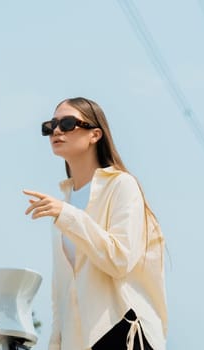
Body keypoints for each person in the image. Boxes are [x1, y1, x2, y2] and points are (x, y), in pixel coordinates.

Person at [24, 97, 168, 350]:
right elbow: (61, 291)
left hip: (122, 332)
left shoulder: (121, 185)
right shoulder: (64, 203)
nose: (56, 131)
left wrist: (67, 215)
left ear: (95, 135)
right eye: (50, 126)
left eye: (68, 123)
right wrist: (56, 343)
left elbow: (119, 260)